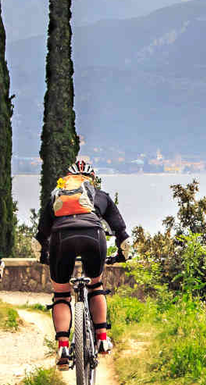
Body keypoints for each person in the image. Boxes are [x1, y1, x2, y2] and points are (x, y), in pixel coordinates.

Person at [33, 158, 132, 369]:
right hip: (93, 236)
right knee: (95, 285)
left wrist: (44, 257)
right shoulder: (101, 196)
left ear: (67, 180)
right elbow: (122, 233)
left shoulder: (55, 197)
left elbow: (40, 237)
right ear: (92, 180)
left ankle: (62, 346)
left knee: (61, 294)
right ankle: (102, 338)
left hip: (61, 238)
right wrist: (122, 256)